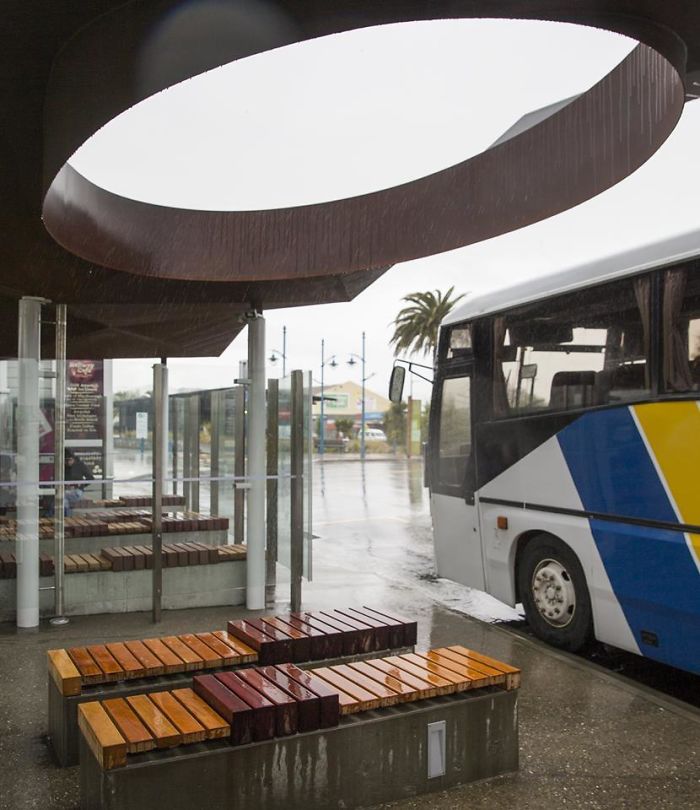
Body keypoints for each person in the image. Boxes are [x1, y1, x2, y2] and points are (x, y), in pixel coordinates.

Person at [64, 448, 94, 514]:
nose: (68, 462)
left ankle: (67, 517)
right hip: (65, 490)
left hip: (77, 490)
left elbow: (91, 478)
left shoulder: (80, 465)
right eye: (66, 461)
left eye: (70, 460)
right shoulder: (63, 467)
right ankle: (67, 518)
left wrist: (80, 485)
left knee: (64, 499)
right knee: (64, 500)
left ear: (74, 458)